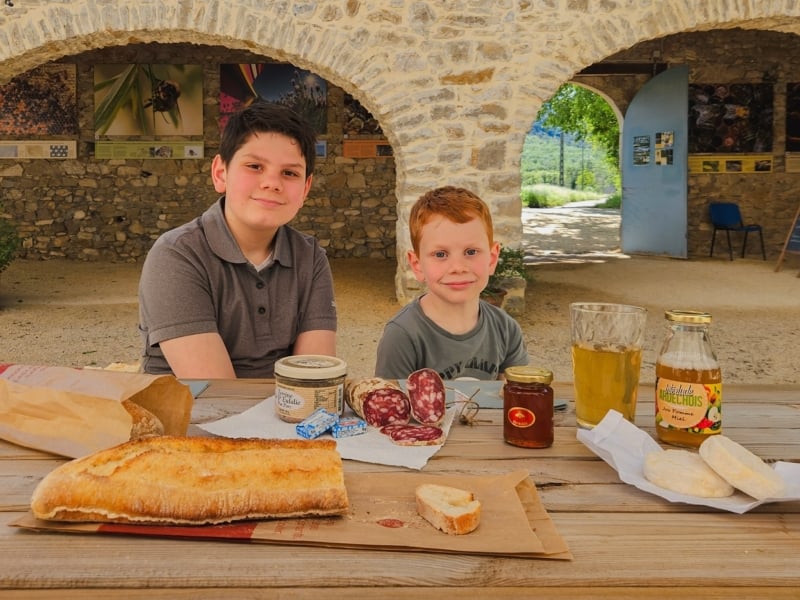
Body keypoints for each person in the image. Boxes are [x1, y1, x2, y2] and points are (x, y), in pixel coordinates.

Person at [138, 101, 337, 379]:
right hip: (193, 414)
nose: (272, 183)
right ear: (221, 173)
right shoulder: (176, 255)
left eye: (289, 173)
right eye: (254, 166)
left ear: (305, 189)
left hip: (287, 416)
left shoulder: (310, 256)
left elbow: (312, 377)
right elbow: (218, 391)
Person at [374, 186, 529, 380]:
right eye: (440, 254)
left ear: (492, 258)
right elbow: (389, 403)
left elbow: (516, 396)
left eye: (471, 252)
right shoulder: (402, 336)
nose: (458, 267)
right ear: (417, 264)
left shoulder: (506, 329)